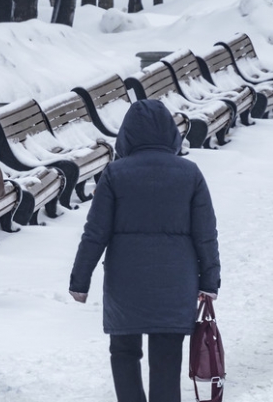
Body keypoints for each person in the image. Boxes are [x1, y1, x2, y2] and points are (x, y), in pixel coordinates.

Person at [68, 99, 221, 402]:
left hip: (126, 283)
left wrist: (80, 281)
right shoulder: (190, 174)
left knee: (123, 352)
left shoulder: (115, 174)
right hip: (175, 284)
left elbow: (95, 234)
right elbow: (206, 234)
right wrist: (209, 281)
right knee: (166, 357)